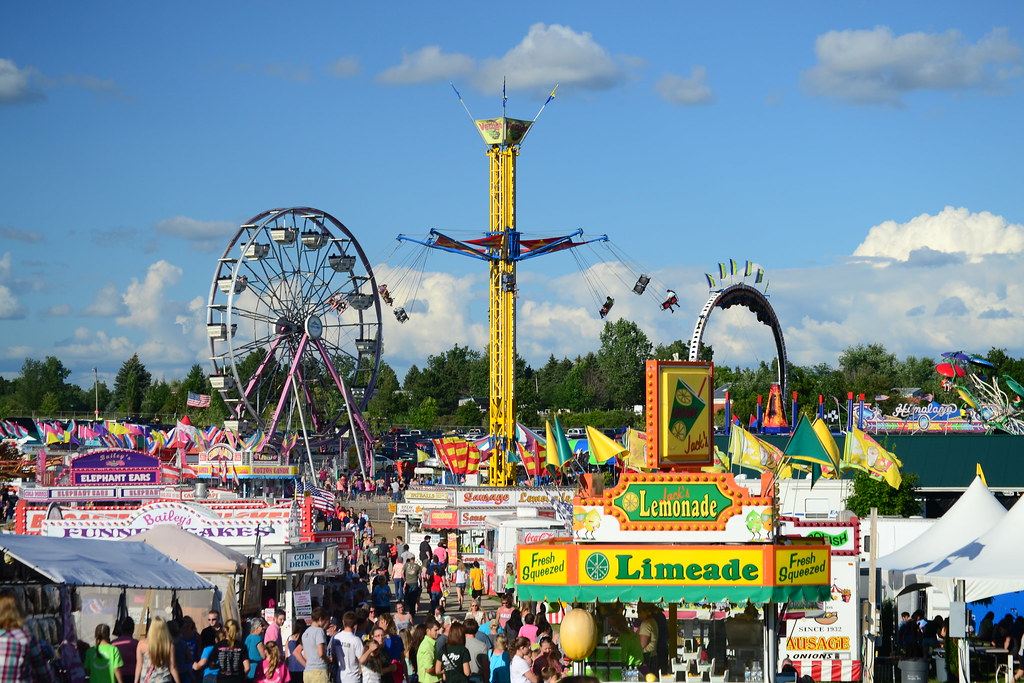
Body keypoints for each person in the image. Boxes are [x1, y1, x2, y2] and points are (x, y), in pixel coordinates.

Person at [135, 616, 179, 683]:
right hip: (163, 679)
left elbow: (139, 665)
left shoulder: (141, 644)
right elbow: (172, 667)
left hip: (147, 680)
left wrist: (135, 681)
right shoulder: (168, 645)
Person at [216, 619, 251, 683]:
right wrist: (242, 676)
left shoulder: (218, 645)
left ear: (225, 629)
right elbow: (247, 667)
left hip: (222, 679)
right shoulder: (242, 646)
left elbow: (211, 664)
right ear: (237, 630)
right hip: (238, 679)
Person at [332, 612, 364, 683]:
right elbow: (362, 659)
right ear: (355, 625)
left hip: (340, 676)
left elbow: (333, 655)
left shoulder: (336, 637)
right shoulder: (356, 640)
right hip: (353, 678)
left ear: (343, 622)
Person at [301, 609, 329, 683]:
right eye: (325, 621)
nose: (326, 623)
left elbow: (305, 654)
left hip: (307, 671)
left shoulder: (305, 633)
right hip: (319, 671)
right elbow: (321, 653)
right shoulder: (319, 631)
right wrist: (329, 660)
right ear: (320, 619)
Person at [113, 616, 139, 683]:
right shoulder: (136, 644)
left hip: (115, 676)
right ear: (132, 629)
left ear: (121, 629)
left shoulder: (113, 644)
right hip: (132, 676)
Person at [637, 603, 659, 678]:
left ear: (647, 611)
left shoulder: (646, 624)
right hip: (653, 657)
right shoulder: (652, 621)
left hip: (646, 659)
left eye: (639, 612)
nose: (637, 614)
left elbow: (642, 645)